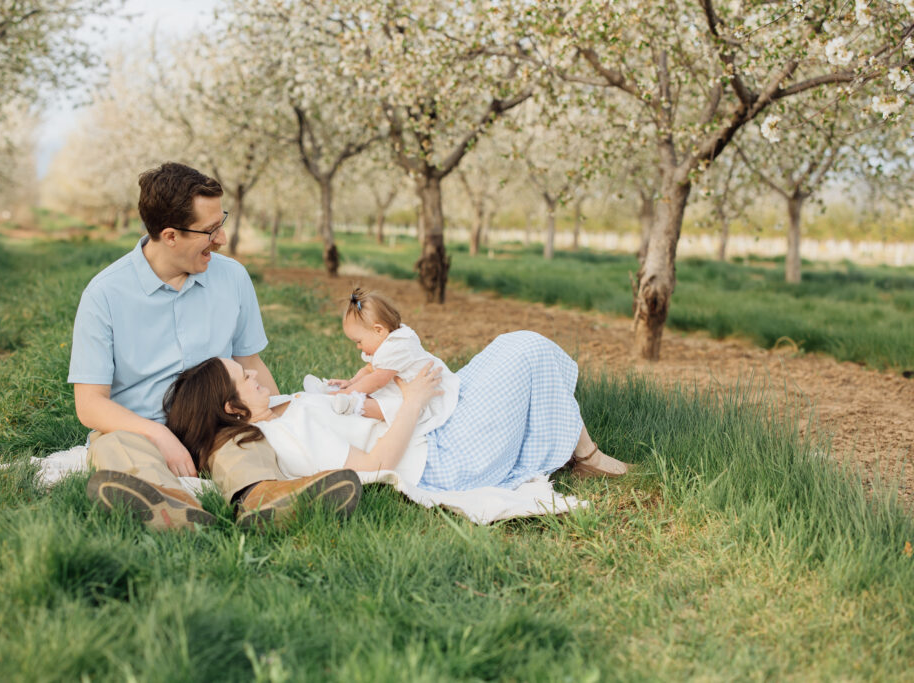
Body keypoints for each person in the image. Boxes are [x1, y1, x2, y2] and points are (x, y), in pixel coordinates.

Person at [68, 162, 361, 531]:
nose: (221, 239)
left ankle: (264, 498)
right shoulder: (104, 295)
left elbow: (249, 360)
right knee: (114, 447)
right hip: (139, 430)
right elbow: (90, 403)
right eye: (210, 230)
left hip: (218, 423)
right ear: (170, 235)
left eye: (220, 222)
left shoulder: (233, 277)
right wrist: (159, 434)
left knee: (243, 442)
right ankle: (169, 507)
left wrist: (283, 415)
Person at [164, 331, 629, 497]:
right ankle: (584, 453)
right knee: (524, 349)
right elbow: (377, 465)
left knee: (509, 349)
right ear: (234, 409)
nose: (254, 375)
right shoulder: (288, 433)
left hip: (429, 426)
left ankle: (574, 446)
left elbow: (347, 412)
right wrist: (413, 402)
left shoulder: (277, 410)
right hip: (446, 458)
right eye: (244, 379)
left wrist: (358, 387)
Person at [321, 287, 459, 436]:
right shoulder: (382, 342)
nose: (358, 346)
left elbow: (377, 380)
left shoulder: (398, 345)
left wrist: (348, 392)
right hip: (400, 387)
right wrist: (352, 383)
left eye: (359, 341)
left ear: (379, 330)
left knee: (395, 408)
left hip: (423, 393)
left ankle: (355, 405)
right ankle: (353, 400)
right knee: (377, 394)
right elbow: (369, 369)